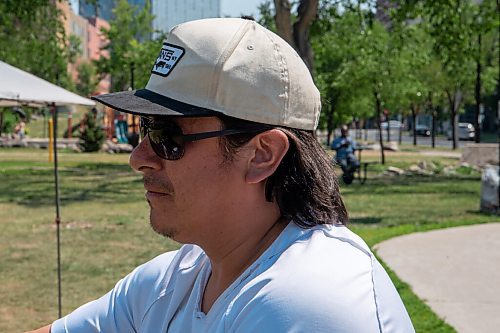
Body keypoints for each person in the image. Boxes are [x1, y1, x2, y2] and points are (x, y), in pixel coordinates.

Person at [27, 18, 414, 333]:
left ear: (262, 155)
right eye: (145, 127)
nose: (139, 158)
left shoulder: (310, 302)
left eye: (168, 135)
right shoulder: (179, 277)